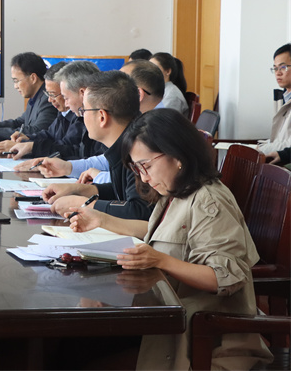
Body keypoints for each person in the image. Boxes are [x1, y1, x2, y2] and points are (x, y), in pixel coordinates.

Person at [67, 109, 272, 370]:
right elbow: (163, 236)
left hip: (203, 343)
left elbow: (224, 277)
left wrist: (161, 260)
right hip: (173, 324)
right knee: (75, 347)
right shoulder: (176, 192)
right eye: (137, 168)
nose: (144, 177)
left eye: (147, 166)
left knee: (76, 352)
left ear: (177, 155)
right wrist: (102, 220)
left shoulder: (209, 201)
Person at [37, 70, 153, 221]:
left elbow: (139, 211)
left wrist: (84, 204)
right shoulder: (124, 142)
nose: (81, 116)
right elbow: (122, 192)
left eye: (84, 110)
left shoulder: (140, 148)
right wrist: (78, 189)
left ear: (102, 117)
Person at [0, 62, 85, 160]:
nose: (49, 100)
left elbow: (66, 147)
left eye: (53, 94)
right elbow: (50, 135)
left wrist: (30, 146)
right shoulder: (63, 112)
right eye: (48, 94)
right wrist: (28, 138)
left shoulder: (79, 115)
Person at [0, 52, 57, 142]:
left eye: (16, 81)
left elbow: (37, 131)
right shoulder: (36, 96)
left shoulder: (48, 99)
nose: (15, 86)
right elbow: (19, 123)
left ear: (33, 78)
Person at [257, 43, 291, 156]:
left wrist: (259, 149)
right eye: (275, 68)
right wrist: (259, 147)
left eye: (283, 67)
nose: (278, 73)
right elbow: (278, 140)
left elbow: (288, 145)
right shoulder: (282, 98)